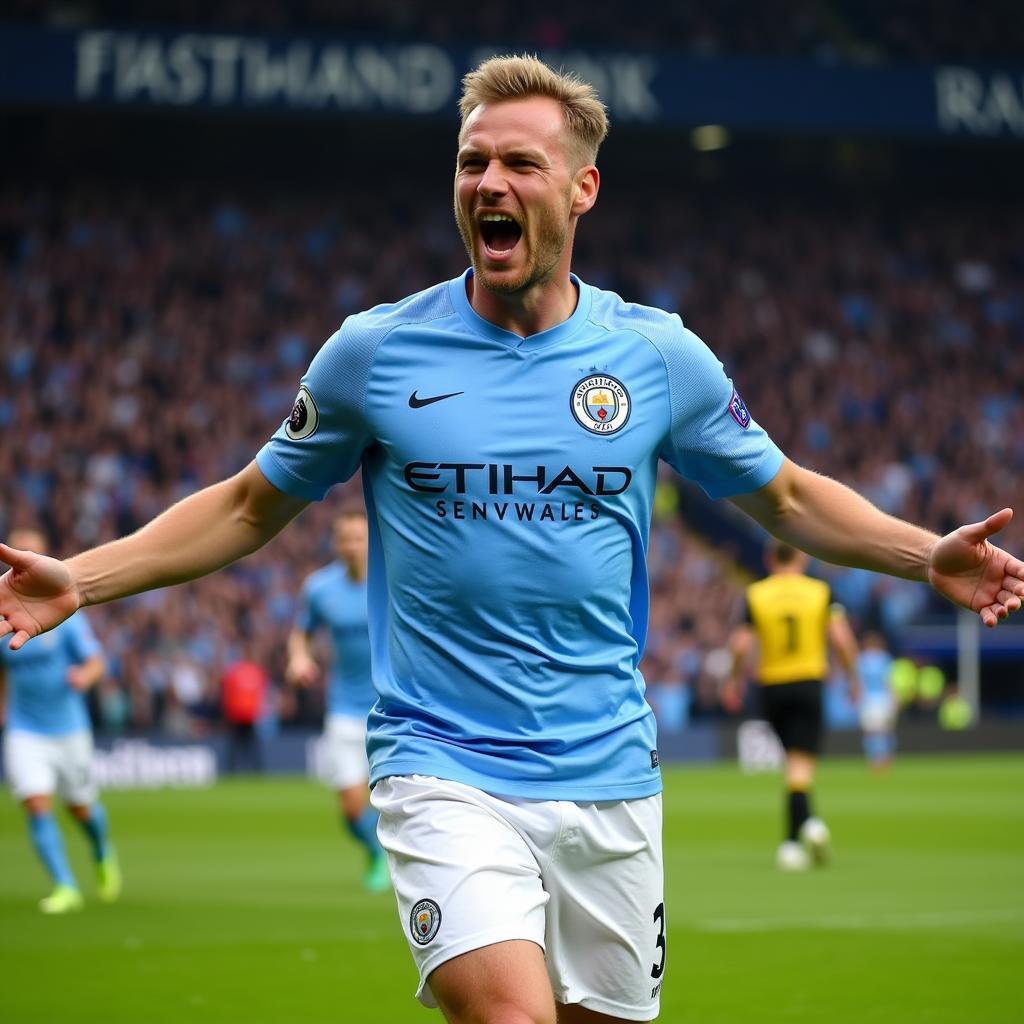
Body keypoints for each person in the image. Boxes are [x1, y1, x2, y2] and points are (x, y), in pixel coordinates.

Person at [0, 55, 1021, 1023]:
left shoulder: (655, 356)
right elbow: (243, 507)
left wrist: (921, 552)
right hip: (441, 763)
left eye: (519, 162)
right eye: (471, 161)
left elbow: (788, 496)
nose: (488, 180)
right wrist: (79, 581)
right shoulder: (374, 352)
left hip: (609, 772)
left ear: (581, 189)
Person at [0, 527, 122, 914]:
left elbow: (96, 661)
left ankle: (102, 851)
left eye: (33, 552)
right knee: (36, 804)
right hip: (25, 728)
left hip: (69, 729)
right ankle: (65, 885)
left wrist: (84, 677)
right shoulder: (5, 613)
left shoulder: (65, 616)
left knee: (81, 809)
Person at [722, 542, 862, 871]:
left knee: (794, 764)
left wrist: (732, 680)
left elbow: (740, 644)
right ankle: (809, 826)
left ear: (770, 559)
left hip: (771, 686)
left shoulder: (756, 594)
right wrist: (854, 678)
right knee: (800, 766)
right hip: (808, 682)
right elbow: (841, 638)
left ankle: (790, 842)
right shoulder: (820, 591)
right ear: (802, 557)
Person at [286, 509, 389, 892]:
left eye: (358, 538)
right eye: (344, 538)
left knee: (402, 803)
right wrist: (299, 658)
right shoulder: (319, 588)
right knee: (350, 810)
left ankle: (400, 862)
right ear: (335, 543)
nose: (350, 546)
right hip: (344, 708)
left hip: (391, 708)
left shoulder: (393, 578)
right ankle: (377, 851)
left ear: (371, 540)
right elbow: (302, 633)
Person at [220, 655, 269, 774]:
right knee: (251, 744)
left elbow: (228, 693)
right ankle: (257, 770)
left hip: (238, 714)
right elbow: (261, 694)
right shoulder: (256, 672)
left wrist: (229, 712)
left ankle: (231, 770)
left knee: (237, 744)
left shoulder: (234, 672)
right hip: (248, 714)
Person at [857, 631, 898, 773]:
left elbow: (858, 682)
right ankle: (886, 759)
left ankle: (874, 760)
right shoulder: (885, 659)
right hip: (882, 698)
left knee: (871, 732)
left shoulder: (861, 659)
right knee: (885, 731)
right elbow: (889, 682)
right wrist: (894, 698)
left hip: (868, 699)